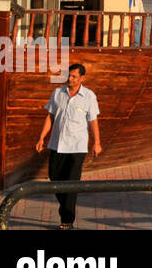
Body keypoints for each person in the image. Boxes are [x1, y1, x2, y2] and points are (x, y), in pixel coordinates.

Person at [35, 63, 102, 229]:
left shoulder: (89, 96)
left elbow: (93, 121)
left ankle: (67, 221)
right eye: (69, 75)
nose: (70, 79)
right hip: (57, 145)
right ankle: (66, 208)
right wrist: (42, 137)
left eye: (74, 76)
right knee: (54, 179)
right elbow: (50, 117)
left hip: (77, 147)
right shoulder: (58, 93)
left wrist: (97, 143)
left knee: (71, 184)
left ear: (82, 78)